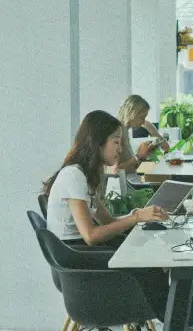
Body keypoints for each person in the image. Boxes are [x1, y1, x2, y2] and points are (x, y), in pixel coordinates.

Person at [44, 111, 170, 319]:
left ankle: (173, 323)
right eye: (116, 142)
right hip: (77, 259)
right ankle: (170, 324)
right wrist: (136, 218)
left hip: (81, 252)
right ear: (98, 142)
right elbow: (91, 236)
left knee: (148, 253)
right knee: (148, 263)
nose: (120, 149)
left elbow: (108, 222)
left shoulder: (84, 174)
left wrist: (137, 215)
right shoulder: (74, 176)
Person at [117, 95, 170, 174]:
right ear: (131, 113)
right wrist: (139, 156)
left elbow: (166, 147)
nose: (143, 122)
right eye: (142, 117)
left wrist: (145, 154)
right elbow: (115, 170)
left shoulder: (125, 132)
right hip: (125, 184)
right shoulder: (118, 133)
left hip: (131, 179)